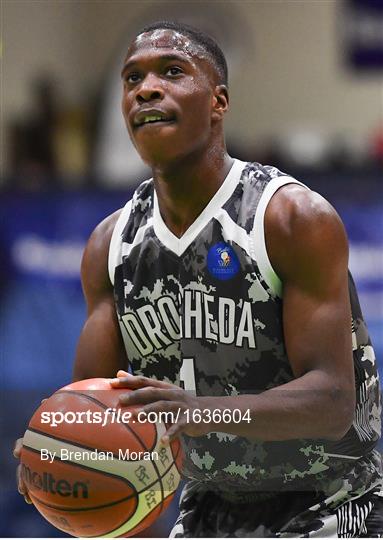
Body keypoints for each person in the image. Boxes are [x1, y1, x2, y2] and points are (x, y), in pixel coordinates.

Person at [14, 21, 382, 537]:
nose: (146, 88)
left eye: (172, 71)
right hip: (208, 505)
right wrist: (56, 453)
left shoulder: (289, 217)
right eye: (132, 79)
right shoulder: (111, 246)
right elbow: (97, 416)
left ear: (218, 101)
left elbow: (333, 403)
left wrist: (200, 412)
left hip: (334, 501)